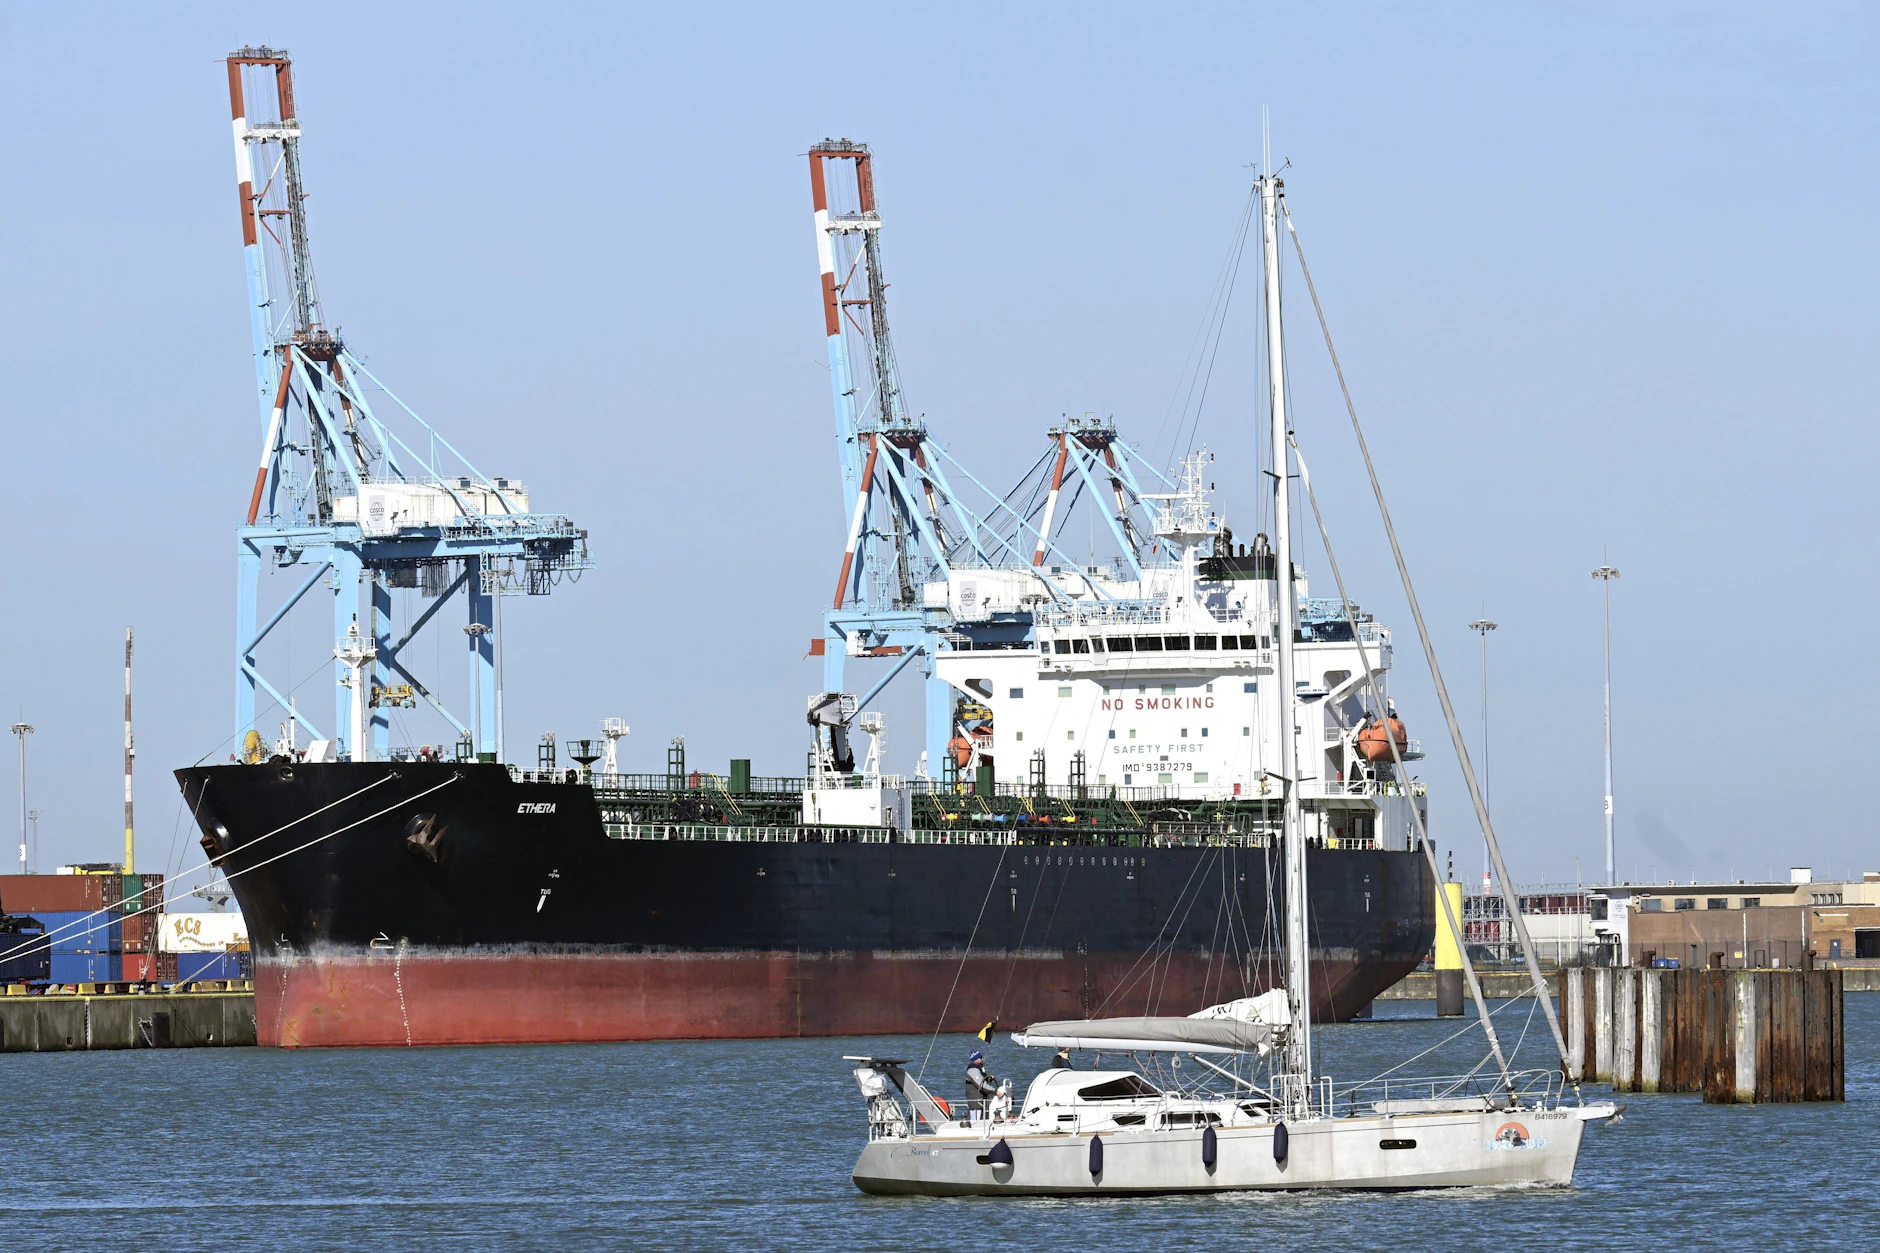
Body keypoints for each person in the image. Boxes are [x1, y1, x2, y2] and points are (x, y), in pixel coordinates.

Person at [965, 1049, 999, 1115]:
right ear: (976, 1059)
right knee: (976, 1120)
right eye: (981, 1057)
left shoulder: (978, 1069)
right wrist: (996, 1092)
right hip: (976, 1103)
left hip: (980, 1102)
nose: (982, 1059)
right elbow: (981, 1085)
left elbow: (982, 1078)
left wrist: (989, 1078)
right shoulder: (973, 1071)